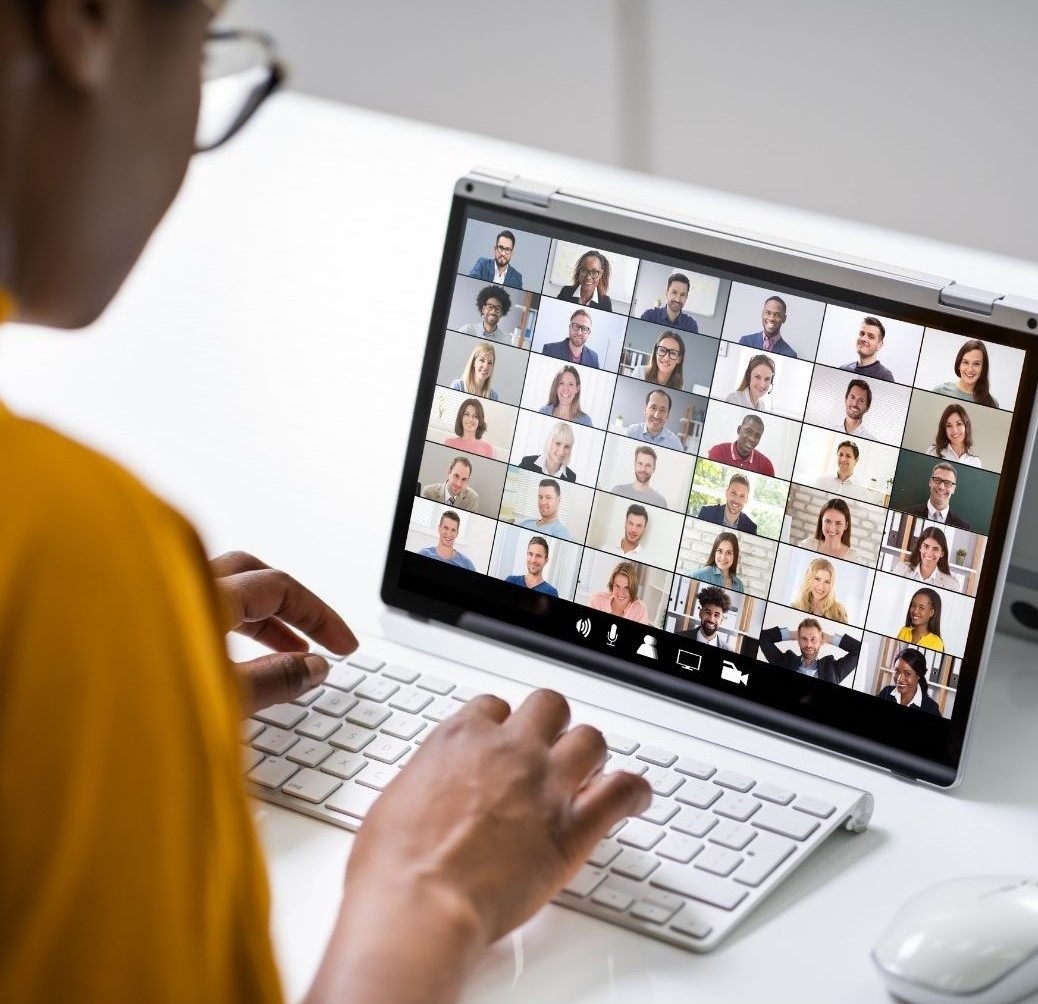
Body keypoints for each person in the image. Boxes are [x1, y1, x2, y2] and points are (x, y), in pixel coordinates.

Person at [0, 7, 651, 1001]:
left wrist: (102, 690)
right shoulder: (65, 552)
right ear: (84, 23)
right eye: (204, 43)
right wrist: (426, 892)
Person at [759, 619, 861, 683]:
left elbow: (859, 650)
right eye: (804, 639)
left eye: (813, 639)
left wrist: (830, 638)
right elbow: (763, 636)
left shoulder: (833, 669)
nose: (808, 645)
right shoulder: (784, 661)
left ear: (820, 641)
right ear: (798, 641)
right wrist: (792, 634)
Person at [932, 339, 999, 408]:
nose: (970, 369)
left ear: (983, 368)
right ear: (959, 365)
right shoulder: (940, 391)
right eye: (966, 362)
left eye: (976, 364)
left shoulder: (992, 403)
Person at [903, 462, 971, 528]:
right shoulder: (907, 513)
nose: (941, 487)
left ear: (953, 489)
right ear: (930, 482)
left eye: (947, 483)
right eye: (937, 480)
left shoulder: (963, 526)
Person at [892, 526, 962, 591]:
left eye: (935, 549)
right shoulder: (901, 569)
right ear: (920, 547)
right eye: (926, 546)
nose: (929, 553)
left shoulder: (952, 585)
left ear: (942, 553)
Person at [706, 414, 775, 476]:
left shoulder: (766, 465)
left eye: (757, 436)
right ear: (739, 430)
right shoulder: (718, 452)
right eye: (748, 432)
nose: (752, 439)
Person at [798, 498, 863, 562]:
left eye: (838, 523)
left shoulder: (854, 558)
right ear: (821, 522)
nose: (832, 529)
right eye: (827, 521)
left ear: (846, 525)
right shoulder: (806, 545)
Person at [879, 649, 941, 714]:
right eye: (897, 671)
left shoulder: (931, 708)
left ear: (919, 675)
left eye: (907, 674)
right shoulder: (885, 692)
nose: (899, 679)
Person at [790, 558, 848, 623]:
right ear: (809, 579)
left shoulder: (839, 612)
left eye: (827, 582)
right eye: (817, 579)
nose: (821, 587)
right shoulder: (794, 607)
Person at [674, 585, 732, 649]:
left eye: (716, 615)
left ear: (722, 619)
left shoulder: (728, 649)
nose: (711, 619)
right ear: (700, 613)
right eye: (708, 612)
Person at [840, 315, 894, 381]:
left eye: (871, 337)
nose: (863, 338)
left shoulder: (885, 376)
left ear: (879, 345)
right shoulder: (843, 369)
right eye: (862, 334)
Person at [896, 588, 945, 652]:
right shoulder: (904, 631)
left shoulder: (936, 643)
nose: (915, 611)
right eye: (913, 605)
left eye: (921, 608)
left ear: (932, 612)